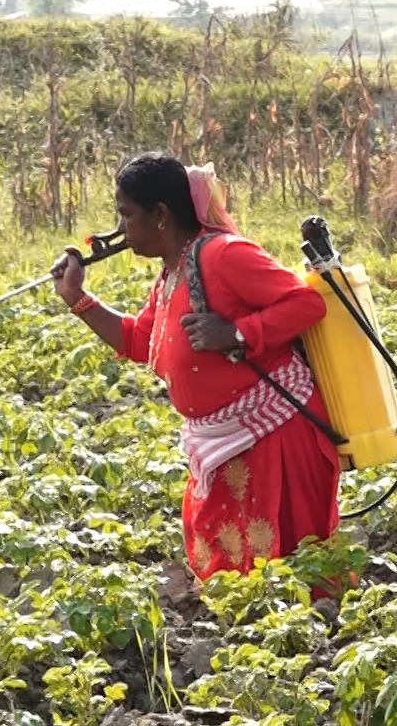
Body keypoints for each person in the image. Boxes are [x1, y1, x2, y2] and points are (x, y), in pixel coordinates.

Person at [51, 153, 341, 580]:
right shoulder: (174, 271)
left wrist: (236, 333)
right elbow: (139, 340)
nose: (120, 229)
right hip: (225, 444)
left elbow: (306, 304)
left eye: (126, 215)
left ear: (160, 215)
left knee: (291, 574)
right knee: (237, 578)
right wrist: (77, 298)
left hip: (275, 435)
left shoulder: (223, 256)